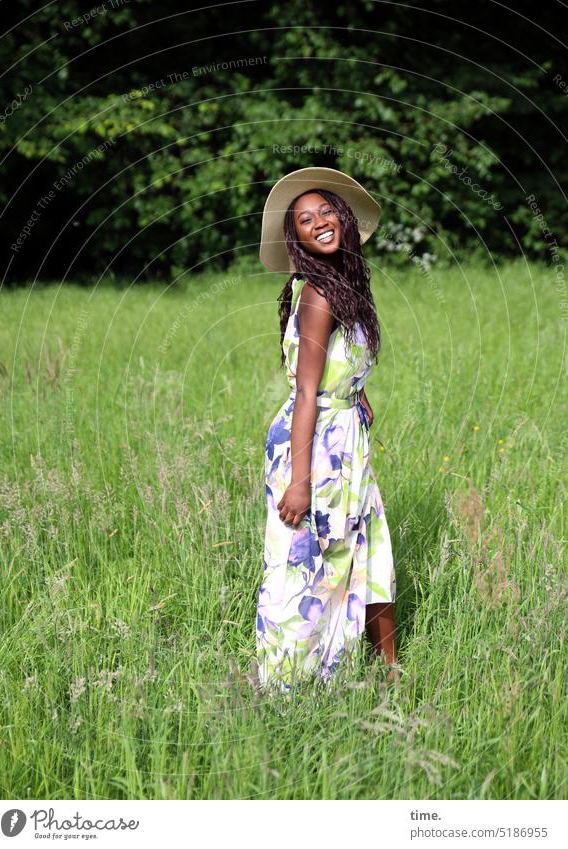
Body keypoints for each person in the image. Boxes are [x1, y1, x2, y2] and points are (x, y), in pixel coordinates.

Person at [255, 166, 397, 695]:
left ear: (343, 217)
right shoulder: (318, 294)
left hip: (342, 440)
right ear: (298, 238)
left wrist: (356, 390)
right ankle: (283, 687)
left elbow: (332, 369)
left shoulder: (345, 287)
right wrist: (299, 480)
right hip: (312, 446)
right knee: (304, 567)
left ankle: (388, 676)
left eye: (326, 211)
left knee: (364, 549)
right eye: (305, 220)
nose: (320, 222)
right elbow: (307, 392)